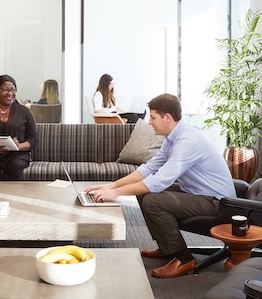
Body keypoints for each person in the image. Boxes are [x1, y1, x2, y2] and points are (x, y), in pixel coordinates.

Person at [85, 93, 236, 278]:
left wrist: (116, 193)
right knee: (144, 192)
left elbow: (158, 182)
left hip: (217, 203)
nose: (149, 122)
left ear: (167, 118)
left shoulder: (188, 141)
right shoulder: (173, 137)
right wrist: (110, 186)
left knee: (153, 200)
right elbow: (149, 169)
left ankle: (184, 258)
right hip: (200, 195)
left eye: (153, 117)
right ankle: (167, 248)